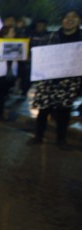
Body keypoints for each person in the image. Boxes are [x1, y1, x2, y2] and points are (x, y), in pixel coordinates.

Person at [28, 10, 82, 150]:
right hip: (48, 80)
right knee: (43, 110)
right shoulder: (50, 37)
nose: (69, 20)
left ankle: (61, 139)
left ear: (79, 21)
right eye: (66, 17)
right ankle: (38, 136)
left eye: (74, 17)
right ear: (62, 20)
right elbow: (38, 53)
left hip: (69, 82)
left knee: (64, 112)